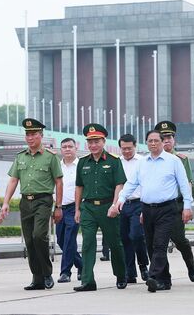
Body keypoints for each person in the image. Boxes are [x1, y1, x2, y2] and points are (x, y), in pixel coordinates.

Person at [118, 129, 193, 293]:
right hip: (147, 208)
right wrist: (121, 199)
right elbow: (132, 183)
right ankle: (164, 280)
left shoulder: (173, 161)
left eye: (156, 141)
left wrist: (187, 206)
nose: (153, 143)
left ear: (161, 142)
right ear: (146, 143)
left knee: (160, 244)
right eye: (150, 141)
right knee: (151, 246)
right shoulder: (142, 163)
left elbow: (184, 185)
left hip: (168, 208)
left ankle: (152, 276)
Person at [1, 118, 63, 290]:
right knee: (29, 241)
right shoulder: (20, 157)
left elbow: (59, 182)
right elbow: (13, 180)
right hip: (25, 202)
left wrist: (58, 206)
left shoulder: (51, 157)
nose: (30, 137)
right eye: (27, 134)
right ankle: (37, 278)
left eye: (34, 134)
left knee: (38, 236)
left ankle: (47, 273)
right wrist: (5, 202)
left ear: (41, 135)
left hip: (43, 200)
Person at [73, 123, 127, 292]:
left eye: (96, 141)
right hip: (88, 207)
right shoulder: (82, 163)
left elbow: (120, 184)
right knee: (87, 243)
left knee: (114, 243)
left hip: (107, 207)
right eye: (90, 142)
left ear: (103, 141)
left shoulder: (113, 161)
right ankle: (88, 281)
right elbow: (79, 187)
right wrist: (77, 209)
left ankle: (121, 275)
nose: (93, 145)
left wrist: (115, 204)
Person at [154, 120, 194, 282]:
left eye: (170, 137)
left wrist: (188, 206)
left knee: (179, 239)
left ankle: (190, 264)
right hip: (156, 206)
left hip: (176, 205)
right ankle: (162, 276)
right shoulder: (151, 160)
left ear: (174, 140)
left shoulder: (181, 159)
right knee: (158, 242)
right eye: (163, 137)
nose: (167, 140)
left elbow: (187, 184)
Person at [118, 134, 149, 283]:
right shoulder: (117, 162)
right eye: (123, 149)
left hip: (139, 203)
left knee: (137, 236)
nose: (126, 151)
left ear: (135, 146)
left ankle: (143, 265)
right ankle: (130, 273)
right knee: (124, 239)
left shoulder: (143, 162)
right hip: (122, 204)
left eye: (129, 148)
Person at [55, 138, 83, 283]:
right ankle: (81, 265)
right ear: (61, 150)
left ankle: (65, 272)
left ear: (75, 148)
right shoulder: (57, 166)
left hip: (75, 207)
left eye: (70, 146)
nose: (67, 149)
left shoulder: (81, 165)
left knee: (69, 238)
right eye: (64, 147)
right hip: (60, 207)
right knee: (60, 239)